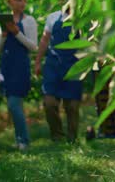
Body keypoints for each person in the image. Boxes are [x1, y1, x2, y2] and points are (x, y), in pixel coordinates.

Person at [0, 0, 38, 151]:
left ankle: (24, 141)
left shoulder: (29, 21)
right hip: (6, 65)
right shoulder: (4, 21)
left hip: (20, 66)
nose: (22, 3)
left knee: (14, 104)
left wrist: (17, 33)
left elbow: (33, 46)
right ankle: (19, 139)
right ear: (10, 1)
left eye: (24, 0)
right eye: (18, 0)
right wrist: (4, 35)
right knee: (13, 105)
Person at [35, 8, 82, 143]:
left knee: (72, 106)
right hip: (53, 66)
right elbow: (44, 40)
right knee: (49, 103)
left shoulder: (82, 18)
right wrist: (38, 61)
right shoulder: (52, 17)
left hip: (74, 66)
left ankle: (72, 138)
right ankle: (57, 136)